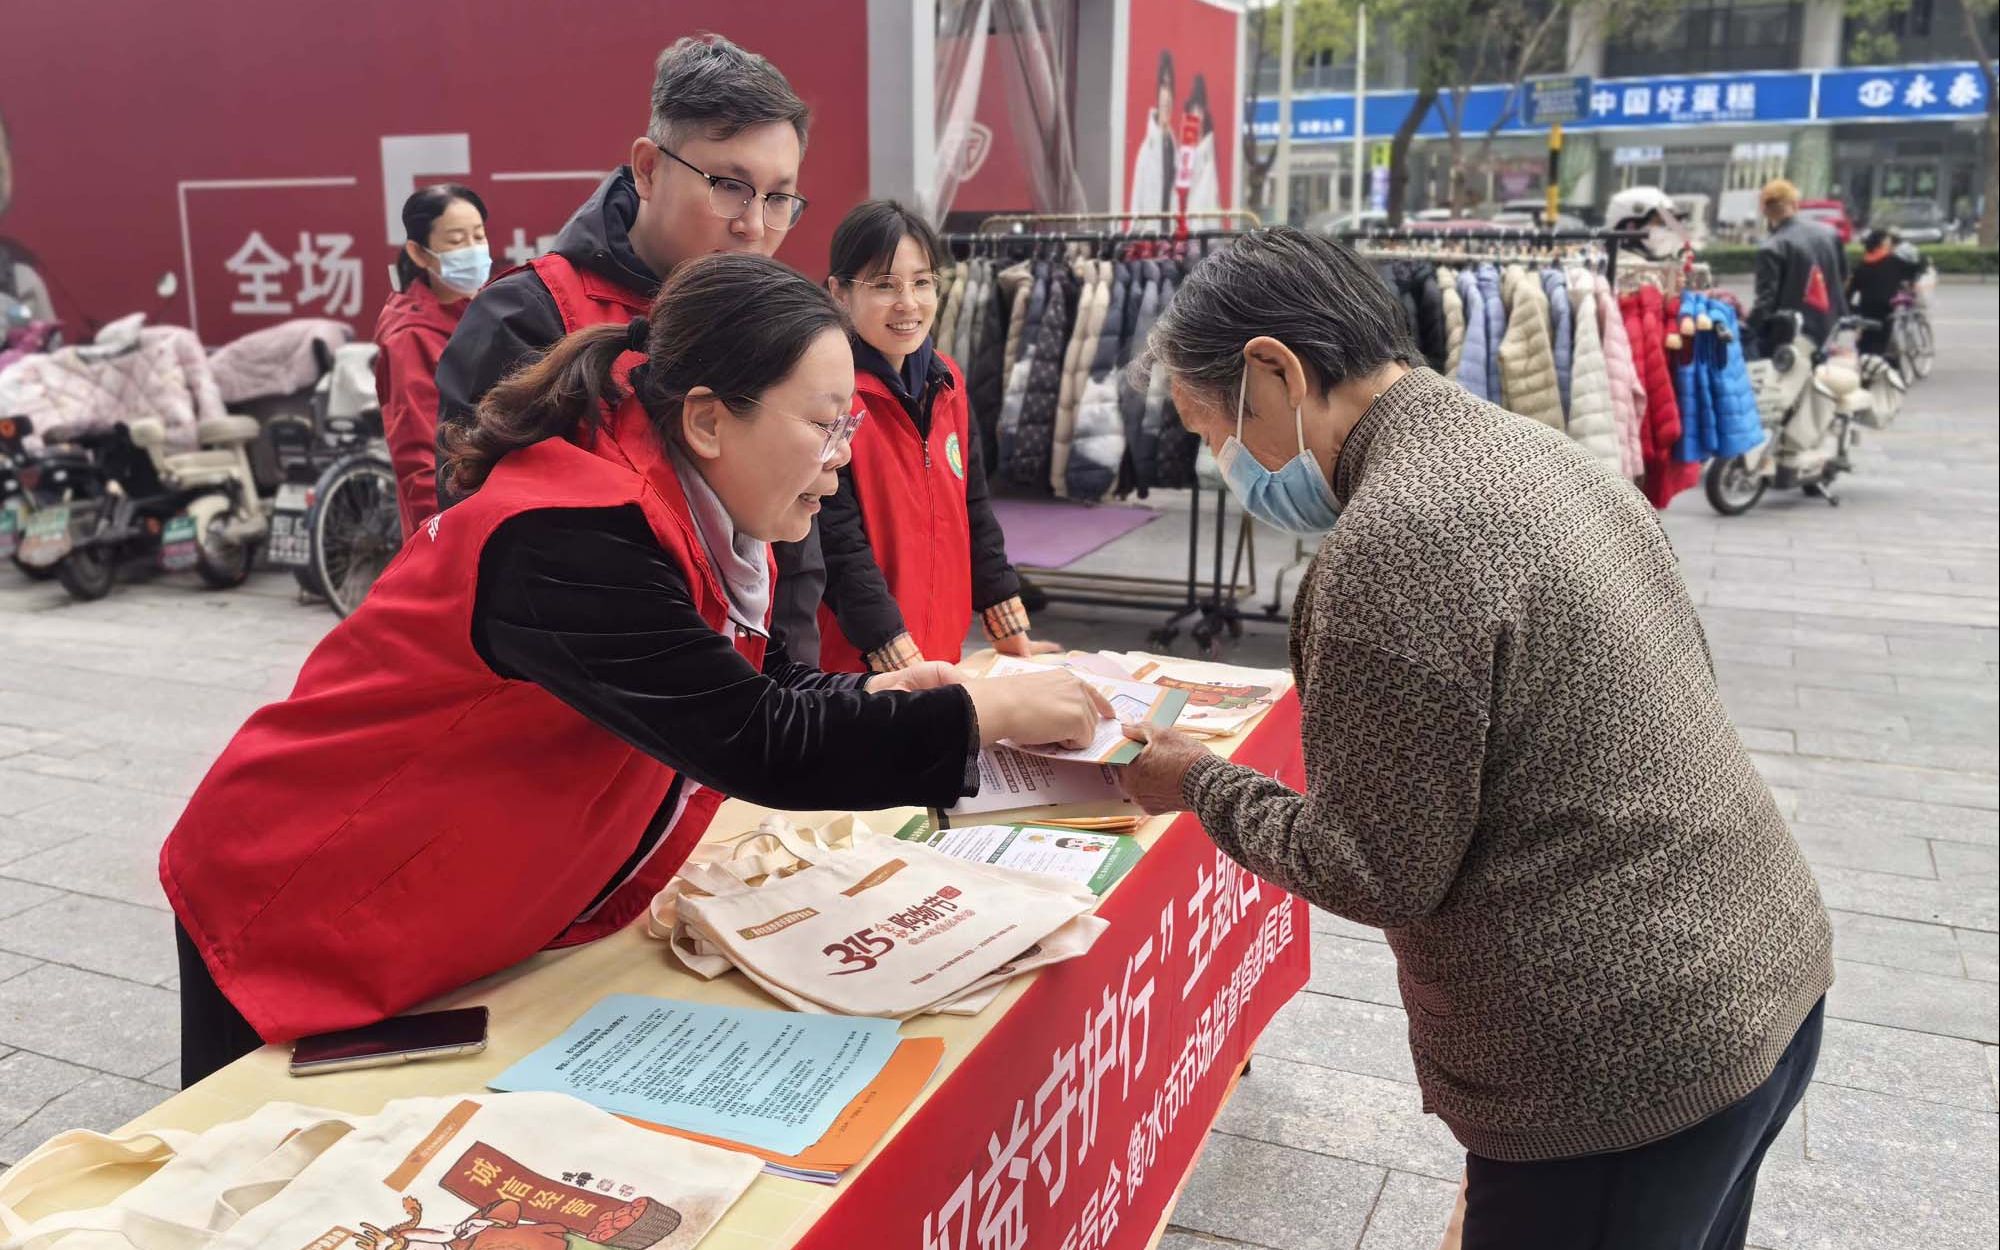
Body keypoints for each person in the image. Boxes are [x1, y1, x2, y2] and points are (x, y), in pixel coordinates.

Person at [162, 254, 1111, 1086]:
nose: (838, 465)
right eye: (825, 427)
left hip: (438, 905)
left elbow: (748, 685)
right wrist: (986, 714)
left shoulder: (695, 513)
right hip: (301, 887)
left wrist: (873, 690)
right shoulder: (573, 536)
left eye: (848, 430)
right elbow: (754, 739)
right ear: (708, 419)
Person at [1116, 227, 1831, 1250]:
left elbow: (1371, 866)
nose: (1228, 463)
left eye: (1213, 430)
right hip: (1754, 975)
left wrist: (1197, 781)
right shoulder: (1535, 451)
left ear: (1274, 371)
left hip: (1620, 1067)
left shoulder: (1390, 543)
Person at [430, 33, 829, 661]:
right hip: (582, 700)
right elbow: (494, 550)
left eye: (779, 197)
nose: (754, 225)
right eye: (729, 185)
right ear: (647, 168)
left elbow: (796, 552)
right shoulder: (528, 318)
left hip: (739, 699)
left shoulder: (774, 329)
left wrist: (791, 693)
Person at [807, 199, 1051, 672]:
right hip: (858, 667)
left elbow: (974, 509)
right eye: (884, 285)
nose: (908, 303)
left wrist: (1007, 624)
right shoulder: (830, 397)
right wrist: (892, 651)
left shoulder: (948, 382)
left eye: (921, 282)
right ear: (839, 292)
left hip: (940, 653)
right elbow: (837, 547)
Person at [374, 184, 490, 538]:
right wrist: (439, 534)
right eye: (456, 241)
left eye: (479, 236)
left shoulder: (483, 309)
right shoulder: (411, 337)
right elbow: (419, 455)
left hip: (491, 508)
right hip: (454, 521)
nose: (473, 249)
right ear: (419, 253)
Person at [1748, 178, 1846, 357]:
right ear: (1795, 204)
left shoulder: (1771, 247)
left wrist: (1748, 329)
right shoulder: (1829, 234)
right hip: (1831, 331)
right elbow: (1842, 277)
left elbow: (1765, 302)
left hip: (1789, 338)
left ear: (1765, 210)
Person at [1846, 228, 1923, 359]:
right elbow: (1914, 269)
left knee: (1867, 341)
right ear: (1882, 243)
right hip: (1886, 308)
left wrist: (1850, 308)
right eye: (1888, 240)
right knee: (1881, 342)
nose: (1890, 242)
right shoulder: (1894, 262)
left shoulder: (1862, 265)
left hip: (1866, 308)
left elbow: (1850, 290)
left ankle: (1866, 362)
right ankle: (1882, 363)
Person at [1127, 51, 1177, 220]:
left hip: (1171, 229)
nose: (1167, 96)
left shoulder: (1173, 147)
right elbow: (1137, 200)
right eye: (1163, 85)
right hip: (1151, 229)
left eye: (1170, 87)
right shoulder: (1146, 150)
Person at [1181, 74, 1219, 217]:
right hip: (1189, 214)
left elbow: (1211, 191)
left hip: (1203, 213)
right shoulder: (1186, 151)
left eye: (1199, 113)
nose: (1196, 118)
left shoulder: (1208, 148)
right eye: (1193, 113)